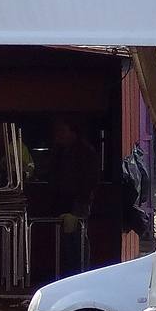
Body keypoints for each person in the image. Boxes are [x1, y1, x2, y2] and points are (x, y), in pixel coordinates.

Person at [48, 118, 100, 277]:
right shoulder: (59, 152)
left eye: (62, 131)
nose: (59, 136)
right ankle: (68, 275)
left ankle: (80, 274)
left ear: (73, 132)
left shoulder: (85, 152)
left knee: (78, 240)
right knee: (64, 242)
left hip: (79, 203)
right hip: (62, 202)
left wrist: (82, 203)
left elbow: (90, 180)